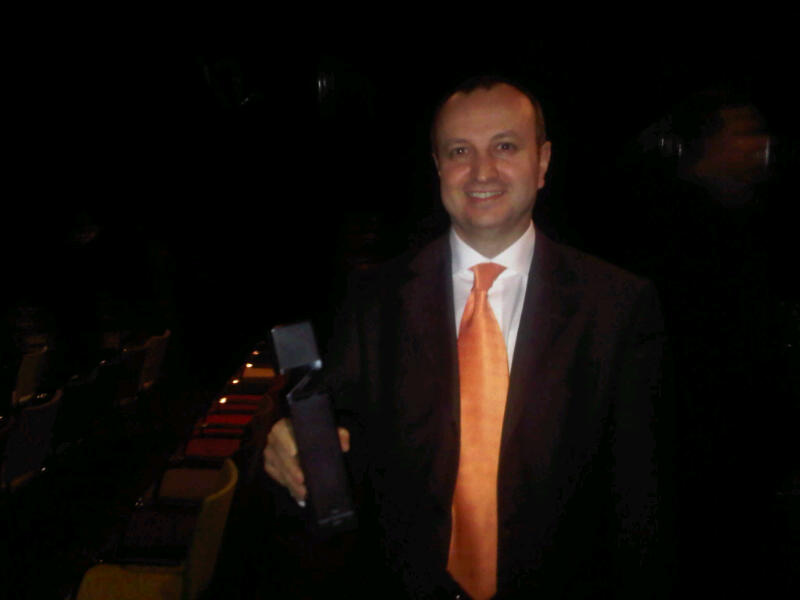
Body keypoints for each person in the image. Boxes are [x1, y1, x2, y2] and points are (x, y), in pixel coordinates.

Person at [264, 76, 668, 599]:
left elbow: (640, 496)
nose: (482, 171)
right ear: (438, 166)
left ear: (542, 162)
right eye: (460, 151)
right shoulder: (373, 299)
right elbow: (337, 451)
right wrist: (290, 451)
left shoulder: (617, 305)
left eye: (505, 146)